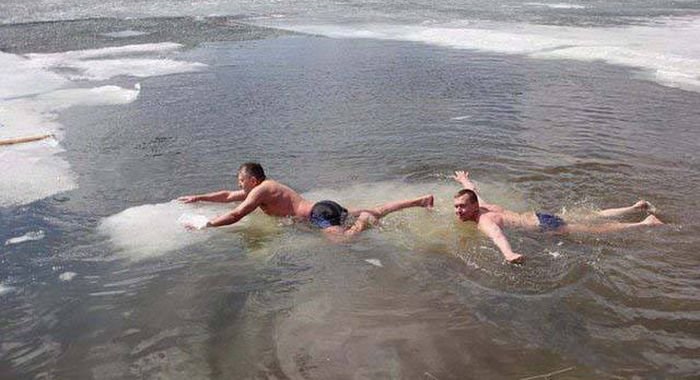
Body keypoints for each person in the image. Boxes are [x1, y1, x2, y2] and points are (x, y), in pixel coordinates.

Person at [178, 162, 434, 243]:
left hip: (318, 215)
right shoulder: (266, 188)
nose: (239, 186)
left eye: (241, 181)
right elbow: (227, 196)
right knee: (377, 210)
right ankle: (420, 200)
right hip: (323, 207)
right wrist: (198, 197)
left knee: (343, 240)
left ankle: (363, 223)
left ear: (252, 180)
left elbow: (237, 214)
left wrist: (208, 224)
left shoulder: (260, 191)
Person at [452, 170, 663, 264]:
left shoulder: (484, 220)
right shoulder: (483, 205)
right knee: (591, 215)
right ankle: (635, 207)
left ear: (473, 206)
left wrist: (508, 254)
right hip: (538, 216)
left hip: (543, 226)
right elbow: (473, 190)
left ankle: (644, 223)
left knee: (595, 229)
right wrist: (464, 181)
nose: (458, 211)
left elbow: (497, 236)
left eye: (462, 207)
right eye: (456, 207)